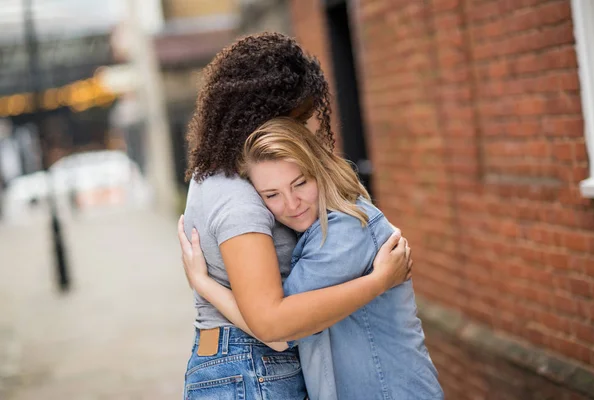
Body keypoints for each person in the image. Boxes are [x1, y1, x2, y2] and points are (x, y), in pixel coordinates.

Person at [179, 32, 413, 400]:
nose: (305, 131)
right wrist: (380, 281)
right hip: (253, 368)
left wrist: (204, 285)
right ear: (263, 115)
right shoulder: (240, 198)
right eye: (298, 119)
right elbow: (273, 326)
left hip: (244, 366)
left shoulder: (222, 172)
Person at [180, 118, 444, 399]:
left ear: (319, 170)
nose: (292, 204)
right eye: (272, 195)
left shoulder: (345, 231)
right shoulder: (318, 233)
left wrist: (203, 283)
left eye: (300, 183)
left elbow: (278, 332)